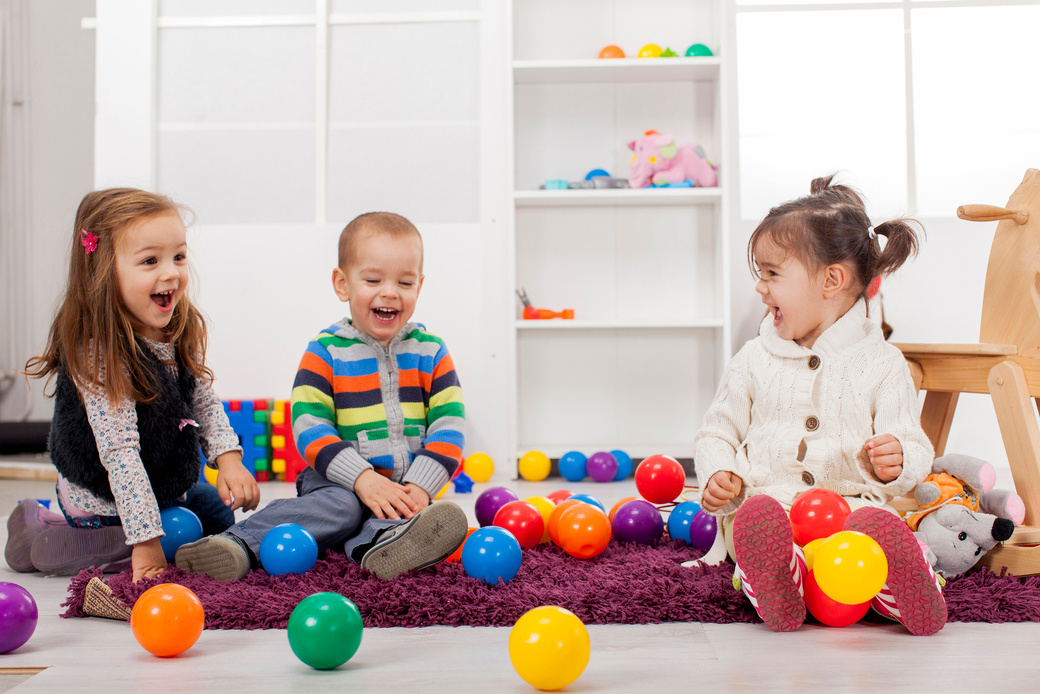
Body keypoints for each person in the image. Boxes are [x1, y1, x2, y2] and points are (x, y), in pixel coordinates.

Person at [693, 176, 946, 635]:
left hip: (852, 511)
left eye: (771, 273)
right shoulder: (754, 357)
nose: (759, 287)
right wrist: (717, 473)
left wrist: (898, 459)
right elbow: (718, 430)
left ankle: (899, 591)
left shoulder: (884, 364)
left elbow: (912, 440)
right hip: (770, 507)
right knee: (754, 530)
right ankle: (778, 576)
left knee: (872, 538)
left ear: (831, 280)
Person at [175, 211, 468, 581]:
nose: (390, 292)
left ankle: (381, 546)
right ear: (342, 284)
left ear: (419, 286)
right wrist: (361, 477)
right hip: (335, 480)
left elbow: (450, 424)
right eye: (373, 279)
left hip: (402, 483)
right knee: (343, 509)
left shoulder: (431, 351)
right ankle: (237, 543)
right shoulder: (326, 351)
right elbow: (309, 425)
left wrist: (419, 487)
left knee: (398, 512)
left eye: (405, 282)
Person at [8, 188, 260, 583]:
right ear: (104, 273)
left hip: (160, 484)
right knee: (149, 544)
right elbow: (120, 455)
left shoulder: (173, 327)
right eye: (150, 261)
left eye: (178, 256)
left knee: (217, 515)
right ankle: (45, 531)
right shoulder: (101, 356)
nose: (171, 272)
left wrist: (228, 458)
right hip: (101, 496)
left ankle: (142, 531)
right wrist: (144, 540)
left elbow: (202, 398)